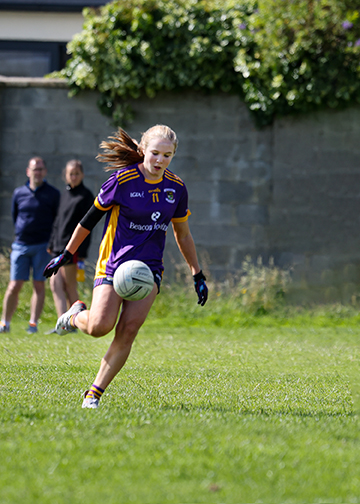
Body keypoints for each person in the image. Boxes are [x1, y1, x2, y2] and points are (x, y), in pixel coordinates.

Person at [43, 124, 208, 409]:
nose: (160, 160)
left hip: (149, 270)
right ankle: (74, 315)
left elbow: (183, 234)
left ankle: (93, 394)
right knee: (98, 327)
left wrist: (197, 272)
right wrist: (66, 254)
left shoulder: (177, 188)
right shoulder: (123, 180)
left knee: (128, 329)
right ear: (143, 151)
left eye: (167, 155)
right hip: (113, 264)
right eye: (155, 153)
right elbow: (88, 219)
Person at [0, 157, 60, 334]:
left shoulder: (53, 194)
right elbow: (15, 215)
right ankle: (5, 323)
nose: (38, 172)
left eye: (41, 169)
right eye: (35, 169)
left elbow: (57, 220)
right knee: (14, 285)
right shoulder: (19, 193)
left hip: (42, 246)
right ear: (28, 171)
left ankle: (33, 324)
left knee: (39, 285)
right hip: (20, 245)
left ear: (45, 172)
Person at [48, 160, 94, 318]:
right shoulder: (64, 194)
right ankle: (62, 320)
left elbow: (88, 226)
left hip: (72, 247)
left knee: (69, 285)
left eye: (76, 173)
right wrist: (51, 243)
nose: (73, 177)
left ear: (82, 175)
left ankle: (76, 319)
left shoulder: (86, 196)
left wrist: (82, 250)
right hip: (57, 247)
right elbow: (58, 221)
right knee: (55, 283)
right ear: (65, 176)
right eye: (70, 174)